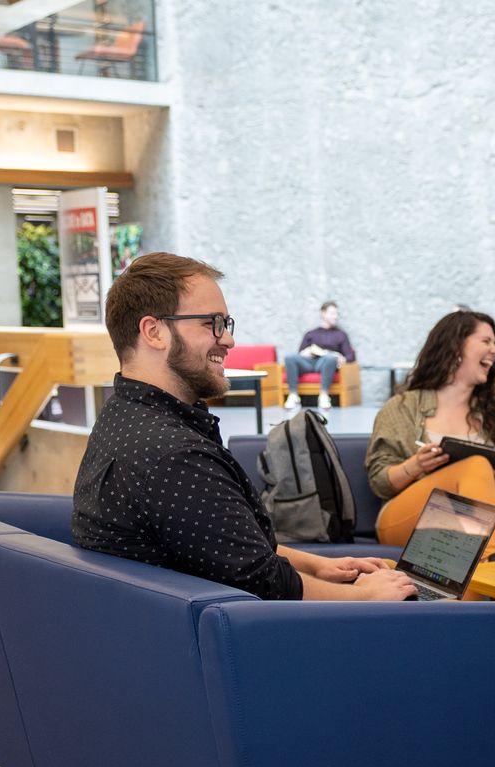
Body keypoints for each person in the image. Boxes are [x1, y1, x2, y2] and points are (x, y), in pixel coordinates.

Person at [73, 253, 414, 603]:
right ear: (154, 332)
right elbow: (262, 582)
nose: (229, 340)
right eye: (212, 324)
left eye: (226, 323)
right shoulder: (175, 457)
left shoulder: (126, 414)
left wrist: (318, 566)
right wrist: (365, 597)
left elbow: (224, 545)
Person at [366, 308, 495, 562]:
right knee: (477, 465)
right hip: (406, 519)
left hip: (475, 527)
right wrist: (415, 465)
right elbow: (379, 480)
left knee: (477, 479)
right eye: (486, 341)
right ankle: (490, 573)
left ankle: (478, 579)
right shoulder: (402, 407)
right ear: (455, 348)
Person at [283, 300, 357, 410]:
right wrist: (305, 352)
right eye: (332, 313)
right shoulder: (311, 333)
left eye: (337, 314)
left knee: (331, 357)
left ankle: (323, 395)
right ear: (323, 314)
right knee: (289, 357)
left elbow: (350, 356)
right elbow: (300, 352)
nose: (335, 316)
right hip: (309, 363)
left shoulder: (341, 335)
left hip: (326, 364)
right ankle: (293, 395)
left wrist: (342, 358)